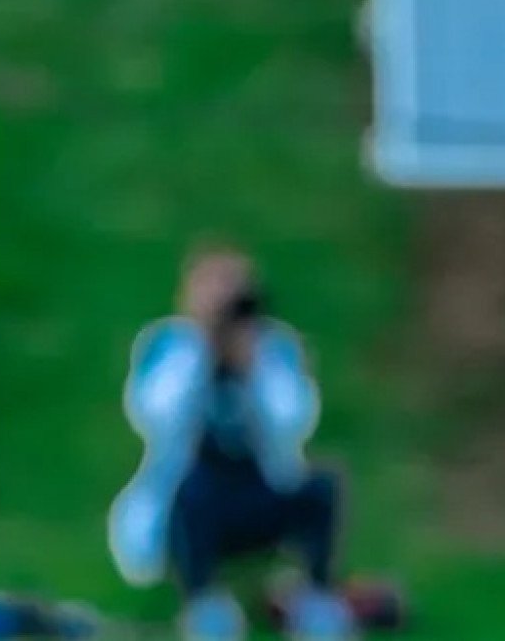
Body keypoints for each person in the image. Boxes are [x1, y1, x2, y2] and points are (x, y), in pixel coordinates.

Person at [107, 242, 355, 641]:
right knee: (191, 494)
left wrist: (253, 366)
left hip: (260, 487)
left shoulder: (274, 347)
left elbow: (296, 421)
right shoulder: (169, 345)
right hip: (193, 497)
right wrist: (200, 351)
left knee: (323, 485)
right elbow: (153, 415)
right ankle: (203, 604)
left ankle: (316, 597)